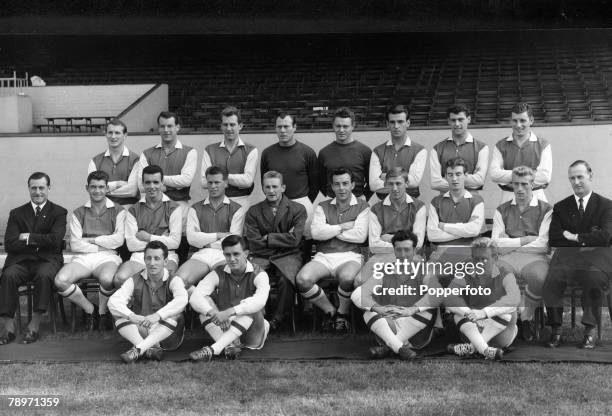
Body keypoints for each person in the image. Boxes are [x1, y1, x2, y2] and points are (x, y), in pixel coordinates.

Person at [543, 160, 612, 350]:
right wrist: (588, 239)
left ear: (590, 175)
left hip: (597, 260)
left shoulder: (606, 205)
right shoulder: (561, 207)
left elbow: (606, 236)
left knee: (593, 278)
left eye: (580, 176)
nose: (576, 182)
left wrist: (574, 237)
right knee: (552, 279)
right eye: (572, 178)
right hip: (568, 259)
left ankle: (589, 331)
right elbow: (556, 238)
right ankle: (556, 330)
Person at [296, 168, 369, 332]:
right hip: (324, 256)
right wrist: (342, 227)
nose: (341, 188)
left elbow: (359, 236)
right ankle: (330, 311)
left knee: (348, 278)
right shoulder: (322, 206)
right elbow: (316, 233)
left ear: (353, 185)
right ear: (332, 187)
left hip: (351, 256)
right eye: (337, 184)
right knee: (302, 279)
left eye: (345, 183)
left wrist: (329, 230)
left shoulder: (363, 206)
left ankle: (343, 314)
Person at [352, 230, 442, 360]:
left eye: (407, 250)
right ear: (394, 250)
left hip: (416, 332)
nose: (403, 255)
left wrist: (412, 309)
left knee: (428, 309)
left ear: (414, 250)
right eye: (399, 250)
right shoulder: (384, 272)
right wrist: (378, 308)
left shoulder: (423, 271)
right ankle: (399, 348)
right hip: (389, 326)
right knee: (369, 312)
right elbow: (357, 294)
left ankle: (389, 348)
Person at [0, 172, 67, 344]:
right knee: (8, 275)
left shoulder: (58, 212)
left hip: (47, 261)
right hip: (20, 261)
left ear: (49, 188)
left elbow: (55, 241)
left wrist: (28, 237)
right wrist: (41, 241)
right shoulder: (17, 213)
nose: (38, 192)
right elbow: (10, 244)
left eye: (41, 188)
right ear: (29, 189)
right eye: (34, 188)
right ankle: (8, 326)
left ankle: (34, 325)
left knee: (44, 276)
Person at [55, 171, 126, 331]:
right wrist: (104, 242)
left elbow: (118, 241)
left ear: (107, 188)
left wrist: (92, 240)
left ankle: (102, 312)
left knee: (108, 279)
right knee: (60, 280)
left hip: (108, 257)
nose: (97, 190)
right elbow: (75, 244)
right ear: (87, 188)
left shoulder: (119, 210)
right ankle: (90, 309)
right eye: (93, 187)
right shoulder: (78, 212)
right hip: (83, 258)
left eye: (101, 187)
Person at [491, 166, 552, 342]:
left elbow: (542, 244)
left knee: (540, 278)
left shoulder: (546, 209)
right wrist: (523, 240)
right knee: (494, 274)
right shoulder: (501, 210)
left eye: (524, 184)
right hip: (506, 258)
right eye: (516, 184)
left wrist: (508, 241)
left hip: (535, 258)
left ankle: (527, 317)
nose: (519, 189)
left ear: (533, 184)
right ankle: (508, 319)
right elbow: (495, 245)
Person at [189, 235, 270, 362]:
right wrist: (214, 313)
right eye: (227, 255)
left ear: (246, 253)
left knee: (251, 307)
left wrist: (228, 312)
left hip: (252, 332)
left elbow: (260, 302)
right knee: (204, 308)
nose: (231, 259)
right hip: (226, 325)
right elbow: (195, 297)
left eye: (236, 254)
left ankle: (213, 349)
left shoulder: (260, 274)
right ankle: (230, 346)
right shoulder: (218, 272)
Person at [244, 171, 307, 330]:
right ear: (263, 189)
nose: (271, 191)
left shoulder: (297, 209)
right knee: (248, 276)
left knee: (286, 280)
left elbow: (295, 239)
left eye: (275, 187)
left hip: (289, 256)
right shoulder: (253, 211)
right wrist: (282, 239)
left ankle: (277, 320)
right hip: (261, 255)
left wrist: (268, 238)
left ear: (283, 188)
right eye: (267, 187)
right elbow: (254, 242)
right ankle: (254, 317)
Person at [108, 241, 188, 363]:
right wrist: (132, 316)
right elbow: (114, 301)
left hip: (168, 335)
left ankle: (140, 349)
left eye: (157, 259)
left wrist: (158, 316)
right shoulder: (134, 279)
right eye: (148, 258)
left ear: (165, 261)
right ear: (144, 260)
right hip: (143, 328)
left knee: (176, 314)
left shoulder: (174, 279)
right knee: (118, 312)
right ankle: (148, 349)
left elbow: (182, 300)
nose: (152, 263)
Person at [445, 238, 520, 361]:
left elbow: (514, 299)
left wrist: (484, 313)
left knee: (509, 313)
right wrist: (468, 313)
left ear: (495, 258)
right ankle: (484, 350)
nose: (479, 263)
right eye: (476, 258)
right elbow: (449, 297)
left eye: (484, 259)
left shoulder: (506, 274)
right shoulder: (464, 272)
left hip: (499, 331)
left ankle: (472, 348)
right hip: (472, 327)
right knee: (459, 314)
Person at [175, 166, 246, 289]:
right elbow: (192, 239)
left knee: (227, 283)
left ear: (226, 183)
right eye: (210, 182)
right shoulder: (195, 208)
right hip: (201, 254)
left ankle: (207, 304)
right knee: (179, 282)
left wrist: (206, 243)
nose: (213, 186)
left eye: (217, 182)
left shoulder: (237, 209)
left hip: (225, 255)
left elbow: (233, 241)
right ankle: (196, 301)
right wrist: (218, 236)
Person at [139, 111, 197, 262]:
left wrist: (157, 182)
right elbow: (141, 184)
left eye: (170, 126)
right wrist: (168, 185)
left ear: (178, 127)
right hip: (153, 207)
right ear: (158, 128)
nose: (166, 130)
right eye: (162, 126)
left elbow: (186, 180)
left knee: (180, 247)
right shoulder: (147, 153)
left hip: (180, 204)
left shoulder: (189, 152)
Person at [114, 165, 182, 286]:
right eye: (148, 182)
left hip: (166, 255)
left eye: (156, 182)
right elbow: (131, 245)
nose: (152, 186)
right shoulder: (133, 210)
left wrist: (148, 237)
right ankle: (132, 304)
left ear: (162, 183)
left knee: (166, 279)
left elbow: (175, 243)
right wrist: (162, 239)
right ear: (143, 184)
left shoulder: (174, 208)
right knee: (120, 278)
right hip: (140, 256)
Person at [260, 112, 319, 237]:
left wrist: (304, 201)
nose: (282, 130)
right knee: (277, 242)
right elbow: (263, 181)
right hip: (275, 205)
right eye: (279, 127)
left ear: (295, 127)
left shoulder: (307, 152)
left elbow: (315, 184)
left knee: (303, 243)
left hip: (301, 203)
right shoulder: (267, 153)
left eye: (286, 126)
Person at [489, 102, 552, 203]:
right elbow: (494, 174)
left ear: (531, 120)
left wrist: (510, 179)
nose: (518, 125)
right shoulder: (500, 145)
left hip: (536, 198)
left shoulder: (543, 145)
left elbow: (545, 176)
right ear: (511, 121)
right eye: (515, 120)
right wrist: (531, 175)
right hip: (508, 198)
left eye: (522, 120)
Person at [201, 106, 258, 208]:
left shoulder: (251, 150)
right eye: (225, 125)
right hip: (215, 202)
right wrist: (232, 180)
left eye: (232, 124)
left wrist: (219, 179)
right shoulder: (209, 150)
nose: (228, 128)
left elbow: (248, 181)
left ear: (240, 126)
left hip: (241, 202)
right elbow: (204, 182)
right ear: (221, 126)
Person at [369, 104, 426, 201]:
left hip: (410, 204)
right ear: (387, 124)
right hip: (383, 206)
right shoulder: (377, 151)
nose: (396, 126)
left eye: (400, 122)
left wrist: (385, 177)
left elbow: (414, 182)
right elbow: (373, 185)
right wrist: (404, 180)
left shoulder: (420, 150)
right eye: (392, 122)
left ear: (408, 123)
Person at [430, 104, 489, 194]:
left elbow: (480, 180)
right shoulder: (437, 149)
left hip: (472, 202)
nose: (457, 124)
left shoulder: (482, 148)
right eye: (453, 120)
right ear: (448, 121)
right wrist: (468, 179)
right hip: (445, 202)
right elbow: (435, 183)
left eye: (460, 119)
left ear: (468, 119)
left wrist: (448, 178)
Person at [318, 107, 372, 201]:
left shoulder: (365, 151)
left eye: (345, 126)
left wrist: (365, 197)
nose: (341, 130)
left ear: (353, 126)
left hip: (358, 202)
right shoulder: (324, 153)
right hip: (332, 203)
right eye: (338, 126)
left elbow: (371, 180)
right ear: (333, 126)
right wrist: (330, 196)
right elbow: (320, 182)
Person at [369, 167, 426, 255]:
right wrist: (406, 245)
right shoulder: (375, 209)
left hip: (411, 257)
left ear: (406, 184)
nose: (394, 188)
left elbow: (418, 244)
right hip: (383, 256)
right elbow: (374, 246)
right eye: (390, 184)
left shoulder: (419, 207)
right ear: (385, 184)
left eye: (398, 183)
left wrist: (389, 238)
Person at [88, 118, 140, 206]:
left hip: (128, 210)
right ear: (106, 134)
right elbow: (93, 189)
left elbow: (132, 191)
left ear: (125, 135)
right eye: (110, 132)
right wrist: (117, 184)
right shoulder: (95, 161)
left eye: (117, 133)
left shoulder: (136, 160)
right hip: (102, 210)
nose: (113, 136)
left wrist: (102, 190)